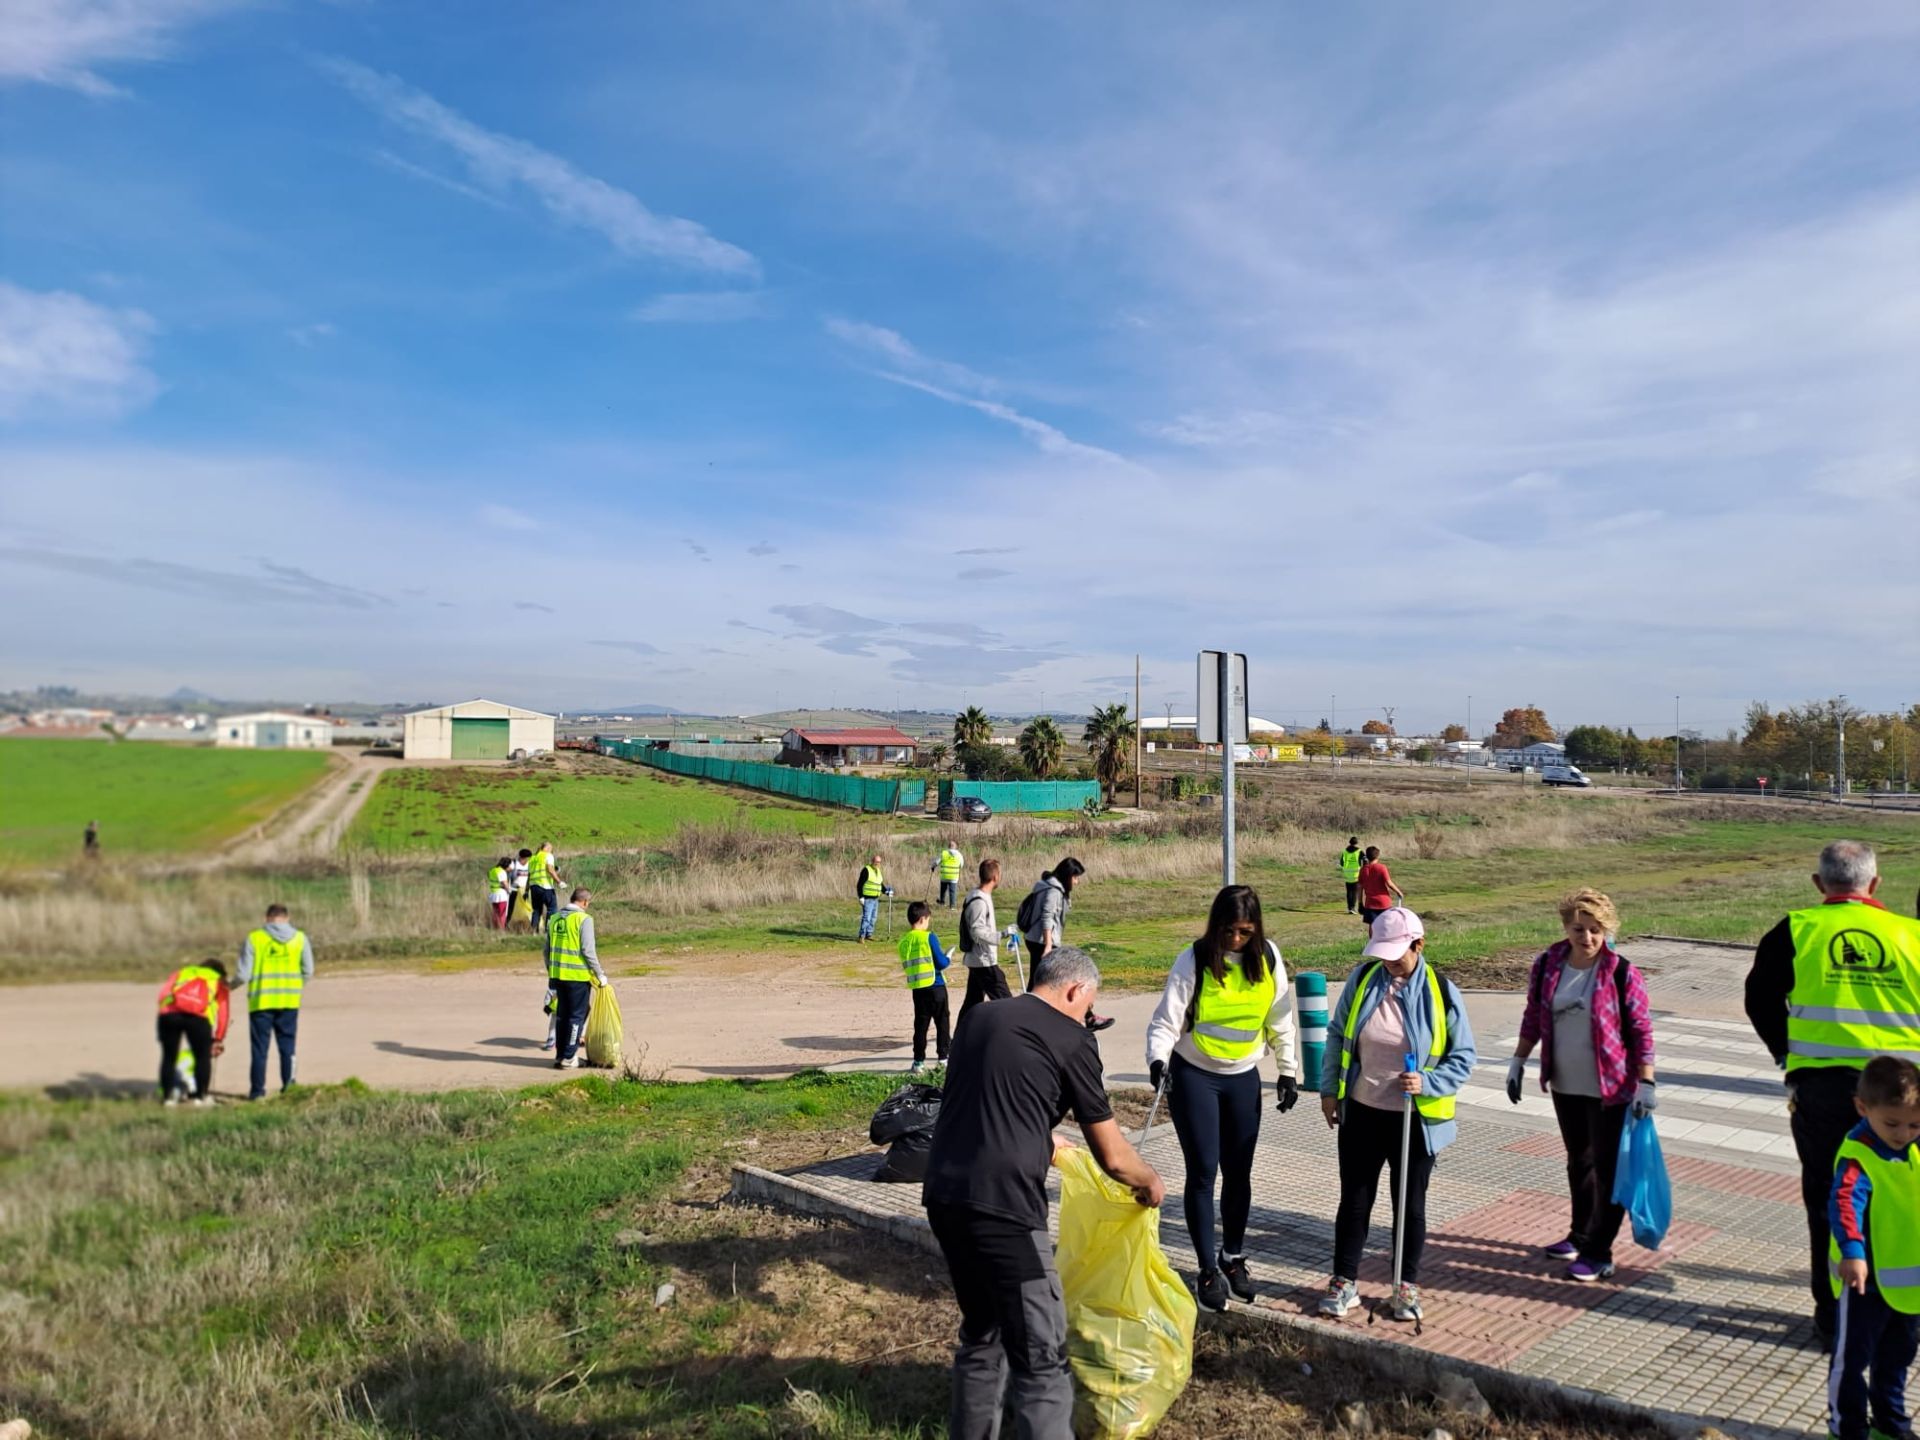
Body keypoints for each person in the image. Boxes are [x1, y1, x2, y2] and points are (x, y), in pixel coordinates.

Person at [921, 946, 1165, 1438]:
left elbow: (986, 1097)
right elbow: (1113, 1155)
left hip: (944, 1195)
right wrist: (1149, 1181)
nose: (1087, 1018)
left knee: (983, 1335)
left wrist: (1043, 1137)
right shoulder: (1073, 1038)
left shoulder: (981, 1017)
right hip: (1005, 1210)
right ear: (1076, 990)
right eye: (1088, 1006)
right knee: (1041, 1359)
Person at [1745, 839, 1920, 1349]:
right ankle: (1906, 1313)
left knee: (1830, 1199)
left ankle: (1835, 1319)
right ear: (1876, 882)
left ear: (1820, 884)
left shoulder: (1796, 929)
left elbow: (1759, 999)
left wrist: (1786, 1053)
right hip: (1907, 1096)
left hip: (1825, 1090)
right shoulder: (1911, 934)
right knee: (1908, 1199)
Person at [1145, 884, 1301, 1311]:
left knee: (1239, 1173)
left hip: (1242, 1078)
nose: (1235, 939)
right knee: (1203, 1172)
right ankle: (1206, 1270)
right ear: (1216, 925)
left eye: (1245, 932)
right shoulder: (1194, 958)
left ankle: (1231, 1258)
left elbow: (1280, 1019)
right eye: (1228, 930)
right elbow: (1166, 1020)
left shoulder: (1268, 958)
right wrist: (1157, 1060)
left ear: (1256, 929)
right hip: (1195, 1074)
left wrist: (1288, 1070)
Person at [1318, 906, 1477, 1323]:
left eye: (1396, 953)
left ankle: (1404, 1286)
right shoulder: (1363, 980)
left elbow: (1463, 1057)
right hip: (1362, 1112)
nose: (1388, 962)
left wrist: (1428, 1081)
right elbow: (1337, 1036)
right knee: (1355, 1201)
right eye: (1382, 953)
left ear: (1419, 945)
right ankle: (1344, 1281)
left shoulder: (1442, 992)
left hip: (1415, 1120)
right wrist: (1329, 1090)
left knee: (1409, 1205)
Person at [1504, 888, 1657, 1281]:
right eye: (1579, 929)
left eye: (1595, 930)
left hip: (1611, 1089)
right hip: (1565, 1083)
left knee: (1608, 1170)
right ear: (1566, 928)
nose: (1587, 937)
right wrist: (1518, 1060)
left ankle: (1599, 1252)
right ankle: (1580, 1234)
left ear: (1607, 930)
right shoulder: (1548, 964)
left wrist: (1646, 1082)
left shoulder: (1621, 972)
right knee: (1579, 1162)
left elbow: (1641, 1030)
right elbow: (1534, 1014)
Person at [1827, 1055, 1920, 1440]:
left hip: (1906, 1284)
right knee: (1852, 1360)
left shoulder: (1914, 1148)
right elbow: (1845, 1203)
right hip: (1864, 1282)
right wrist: (1852, 1251)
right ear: (1863, 1108)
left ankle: (1889, 1423)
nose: (1903, 1133)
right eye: (1892, 1123)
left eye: (1914, 1124)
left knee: (1897, 1358)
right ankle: (1846, 1428)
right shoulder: (1859, 1155)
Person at [1022, 857, 1113, 1033]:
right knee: (1061, 978)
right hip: (1043, 942)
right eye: (1075, 877)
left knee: (1038, 982)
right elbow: (1047, 916)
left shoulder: (1045, 884)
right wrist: (1048, 945)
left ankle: (1029, 1017)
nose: (1077, 882)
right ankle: (1086, 1017)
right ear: (1067, 875)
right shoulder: (1054, 891)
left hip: (1035, 940)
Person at [236, 903, 313, 1101]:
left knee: (259, 1050)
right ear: (287, 918)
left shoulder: (255, 938)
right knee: (288, 1047)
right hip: (289, 1001)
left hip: (261, 1002)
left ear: (266, 918)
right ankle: (289, 1088)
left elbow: (243, 975)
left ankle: (257, 1093)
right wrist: (295, 986)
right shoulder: (300, 938)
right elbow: (308, 971)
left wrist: (228, 987)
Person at [545, 886, 609, 1070]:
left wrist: (551, 970)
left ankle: (560, 1055)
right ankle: (569, 1057)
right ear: (585, 902)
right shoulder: (584, 919)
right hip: (577, 977)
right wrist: (600, 973)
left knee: (562, 1016)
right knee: (576, 1016)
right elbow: (588, 950)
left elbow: (546, 951)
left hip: (557, 976)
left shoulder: (554, 918)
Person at [157, 958, 230, 1105]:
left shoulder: (182, 972)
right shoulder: (218, 981)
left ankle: (168, 1098)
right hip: (199, 1017)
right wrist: (219, 1038)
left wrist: (164, 1016)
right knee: (202, 1057)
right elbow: (223, 1013)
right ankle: (199, 1097)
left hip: (170, 1015)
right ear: (221, 972)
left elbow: (163, 995)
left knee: (169, 1057)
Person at [900, 900, 954, 1072]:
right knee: (942, 1022)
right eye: (928, 920)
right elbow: (941, 963)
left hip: (918, 989)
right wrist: (948, 958)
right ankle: (943, 1058)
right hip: (936, 986)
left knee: (920, 1026)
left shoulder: (904, 941)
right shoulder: (928, 937)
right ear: (923, 919)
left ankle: (918, 1062)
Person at [957, 858, 1010, 1027]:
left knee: (972, 1002)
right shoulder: (979, 901)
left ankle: (961, 1036)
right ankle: (1013, 1034)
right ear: (995, 877)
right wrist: (1001, 935)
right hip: (983, 960)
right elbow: (977, 931)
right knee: (1005, 1001)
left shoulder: (980, 896)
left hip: (979, 959)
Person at [1356, 846, 1403, 926]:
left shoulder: (1363, 870)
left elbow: (1360, 888)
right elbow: (1389, 883)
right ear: (1377, 856)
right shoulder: (1381, 868)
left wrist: (1360, 903)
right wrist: (1398, 892)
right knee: (1385, 926)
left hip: (1370, 903)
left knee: (1372, 926)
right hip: (1383, 902)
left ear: (1367, 856)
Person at [527, 842, 562, 932]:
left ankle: (533, 931)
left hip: (534, 887)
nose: (551, 851)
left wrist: (527, 890)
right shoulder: (548, 855)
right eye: (551, 849)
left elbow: (529, 874)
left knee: (536, 910)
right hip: (546, 886)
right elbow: (550, 869)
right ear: (547, 848)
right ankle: (549, 930)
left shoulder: (532, 858)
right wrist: (559, 882)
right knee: (552, 909)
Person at [855, 853, 889, 943]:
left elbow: (880, 884)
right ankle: (861, 936)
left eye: (879, 862)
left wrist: (886, 892)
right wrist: (861, 897)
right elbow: (860, 884)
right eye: (876, 861)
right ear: (872, 861)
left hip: (875, 899)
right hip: (867, 899)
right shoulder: (866, 870)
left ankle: (869, 934)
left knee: (873, 918)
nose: (878, 863)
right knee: (867, 918)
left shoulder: (878, 871)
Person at [934, 841, 965, 909]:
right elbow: (961, 865)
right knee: (952, 891)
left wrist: (933, 867)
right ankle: (952, 906)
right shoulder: (959, 855)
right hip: (954, 876)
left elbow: (936, 862)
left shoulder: (944, 853)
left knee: (943, 890)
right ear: (956, 847)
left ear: (948, 846)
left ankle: (942, 902)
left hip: (944, 875)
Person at [1339, 837, 1364, 914]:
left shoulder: (1344, 851)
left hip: (1347, 874)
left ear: (1349, 842)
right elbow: (1365, 860)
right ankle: (1353, 908)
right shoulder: (1359, 851)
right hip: (1356, 874)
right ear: (1357, 843)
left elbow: (1341, 863)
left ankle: (1350, 908)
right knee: (1354, 892)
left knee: (1349, 891)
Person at [509, 848, 532, 929]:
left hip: (525, 891)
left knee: (527, 908)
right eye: (526, 858)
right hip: (514, 890)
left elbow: (529, 877)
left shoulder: (529, 864)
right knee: (511, 909)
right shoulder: (513, 864)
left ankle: (528, 926)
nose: (526, 860)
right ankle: (508, 924)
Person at [487, 856, 512, 930]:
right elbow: (504, 883)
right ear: (506, 865)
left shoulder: (492, 870)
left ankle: (495, 928)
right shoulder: (502, 872)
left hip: (493, 894)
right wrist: (509, 890)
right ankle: (501, 929)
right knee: (502, 913)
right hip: (501, 895)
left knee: (496, 913)